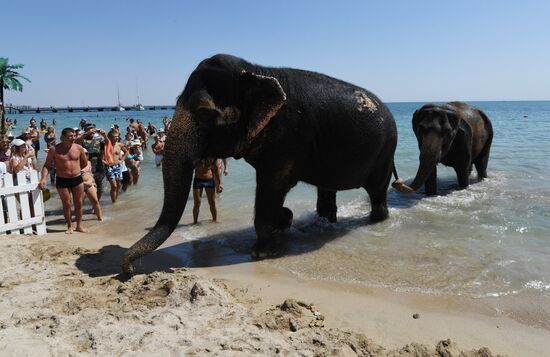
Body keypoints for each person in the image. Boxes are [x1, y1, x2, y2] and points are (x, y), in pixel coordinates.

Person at [39, 128, 88, 234]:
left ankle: (79, 225)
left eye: (74, 135)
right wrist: (43, 178)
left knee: (79, 203)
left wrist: (76, 170)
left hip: (77, 179)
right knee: (66, 203)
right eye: (70, 136)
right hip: (62, 179)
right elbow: (47, 165)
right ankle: (70, 226)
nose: (73, 138)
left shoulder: (79, 148)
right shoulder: (54, 150)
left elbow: (84, 163)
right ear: (62, 137)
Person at [76, 123, 107, 200]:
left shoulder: (99, 139)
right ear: (85, 130)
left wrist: (104, 135)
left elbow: (108, 144)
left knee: (100, 187)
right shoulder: (82, 139)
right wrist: (84, 135)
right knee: (84, 188)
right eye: (89, 129)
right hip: (86, 167)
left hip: (99, 165)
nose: (91, 130)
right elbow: (75, 143)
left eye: (93, 128)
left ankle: (95, 204)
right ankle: (80, 206)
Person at [192, 158, 221, 224]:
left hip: (209, 180)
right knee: (197, 203)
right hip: (198, 180)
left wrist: (219, 183)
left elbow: (216, 169)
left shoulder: (212, 155)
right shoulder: (197, 154)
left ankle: (215, 221)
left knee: (212, 203)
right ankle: (195, 222)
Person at [103, 130, 127, 203]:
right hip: (109, 167)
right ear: (109, 137)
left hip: (118, 166)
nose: (117, 138)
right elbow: (100, 157)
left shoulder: (119, 145)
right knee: (114, 186)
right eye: (115, 136)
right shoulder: (105, 145)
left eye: (117, 136)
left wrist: (122, 160)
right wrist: (105, 163)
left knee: (118, 185)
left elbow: (126, 152)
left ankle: (115, 201)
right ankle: (113, 202)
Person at [81, 149, 103, 221]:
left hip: (90, 184)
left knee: (95, 201)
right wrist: (85, 183)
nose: (85, 155)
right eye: (83, 154)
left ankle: (100, 218)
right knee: (80, 203)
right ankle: (78, 219)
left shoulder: (89, 162)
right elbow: (73, 177)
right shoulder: (76, 164)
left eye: (86, 154)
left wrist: (92, 181)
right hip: (81, 185)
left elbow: (90, 173)